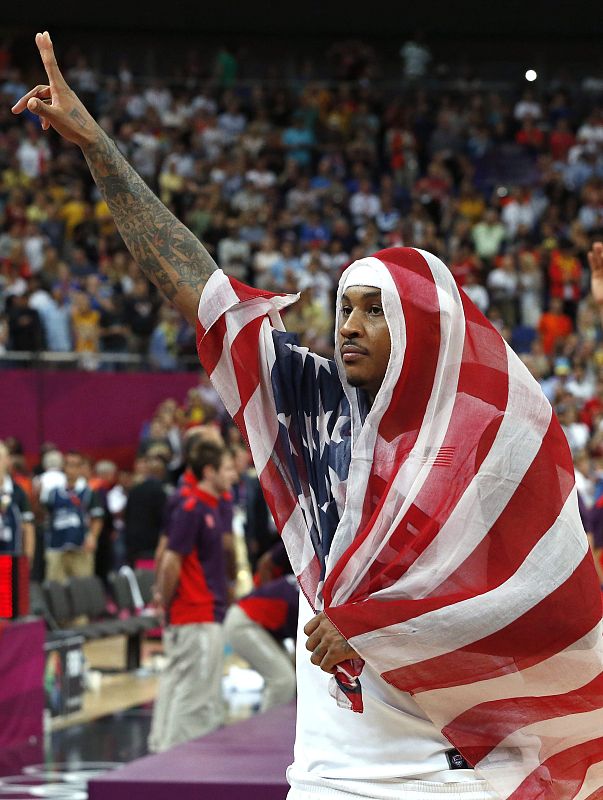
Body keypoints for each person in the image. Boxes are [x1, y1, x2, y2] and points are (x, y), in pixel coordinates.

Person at [15, 34, 603, 800]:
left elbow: (531, 601)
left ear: (424, 328)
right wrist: (97, 147)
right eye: (342, 308)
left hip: (447, 776)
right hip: (325, 768)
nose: (347, 325)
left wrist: (374, 622)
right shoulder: (311, 401)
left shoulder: (484, 444)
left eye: (373, 311)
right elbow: (196, 285)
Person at [148, 440, 237, 753]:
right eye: (227, 469)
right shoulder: (192, 507)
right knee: (194, 694)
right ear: (209, 471)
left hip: (199, 613)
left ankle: (160, 752)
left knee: (178, 686)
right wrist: (167, 601)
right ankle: (177, 763)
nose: (234, 476)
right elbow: (170, 558)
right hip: (194, 614)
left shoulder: (208, 505)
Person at [224, 575, 298, 712]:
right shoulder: (306, 598)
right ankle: (269, 731)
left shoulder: (306, 581)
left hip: (262, 626)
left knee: (287, 680)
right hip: (245, 622)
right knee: (283, 681)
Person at [43, 449, 104, 582]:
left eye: (76, 465)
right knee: (55, 589)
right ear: (64, 466)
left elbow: (97, 518)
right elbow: (45, 515)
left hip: (80, 546)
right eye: (69, 464)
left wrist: (92, 536)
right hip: (57, 545)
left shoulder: (88, 492)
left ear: (81, 468)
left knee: (82, 589)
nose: (72, 469)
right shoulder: (53, 493)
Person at [0, 440, 35, 563]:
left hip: (11, 558)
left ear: (8, 461)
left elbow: (28, 527)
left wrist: (28, 557)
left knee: (7, 582)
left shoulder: (18, 491)